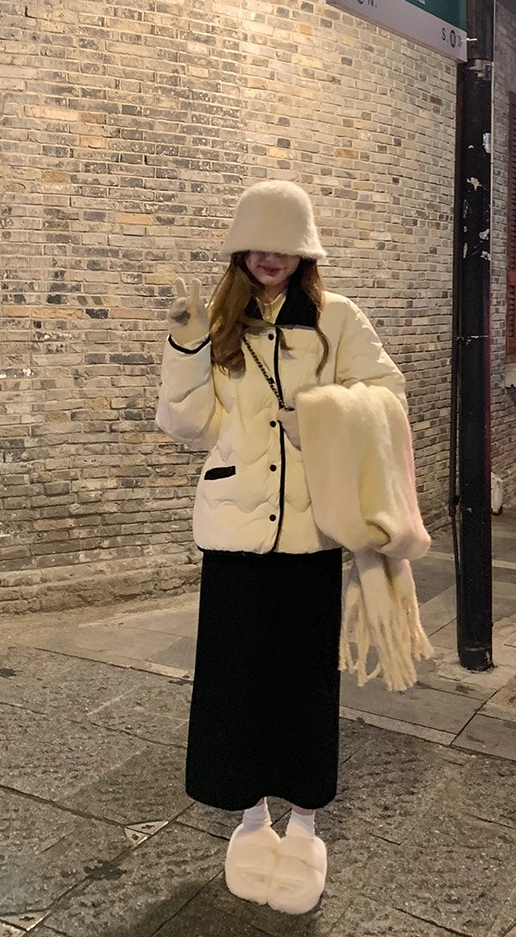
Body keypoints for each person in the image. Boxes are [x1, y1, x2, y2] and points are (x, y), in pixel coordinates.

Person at [156, 179, 407, 915]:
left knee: (305, 682)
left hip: (311, 533)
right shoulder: (216, 322)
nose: (270, 258)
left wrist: (319, 415)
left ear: (304, 252)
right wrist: (185, 344)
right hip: (233, 534)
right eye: (258, 244)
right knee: (232, 683)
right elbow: (189, 427)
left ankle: (304, 825)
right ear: (241, 249)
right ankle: (248, 820)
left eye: (285, 245)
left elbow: (389, 397)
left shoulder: (338, 319)